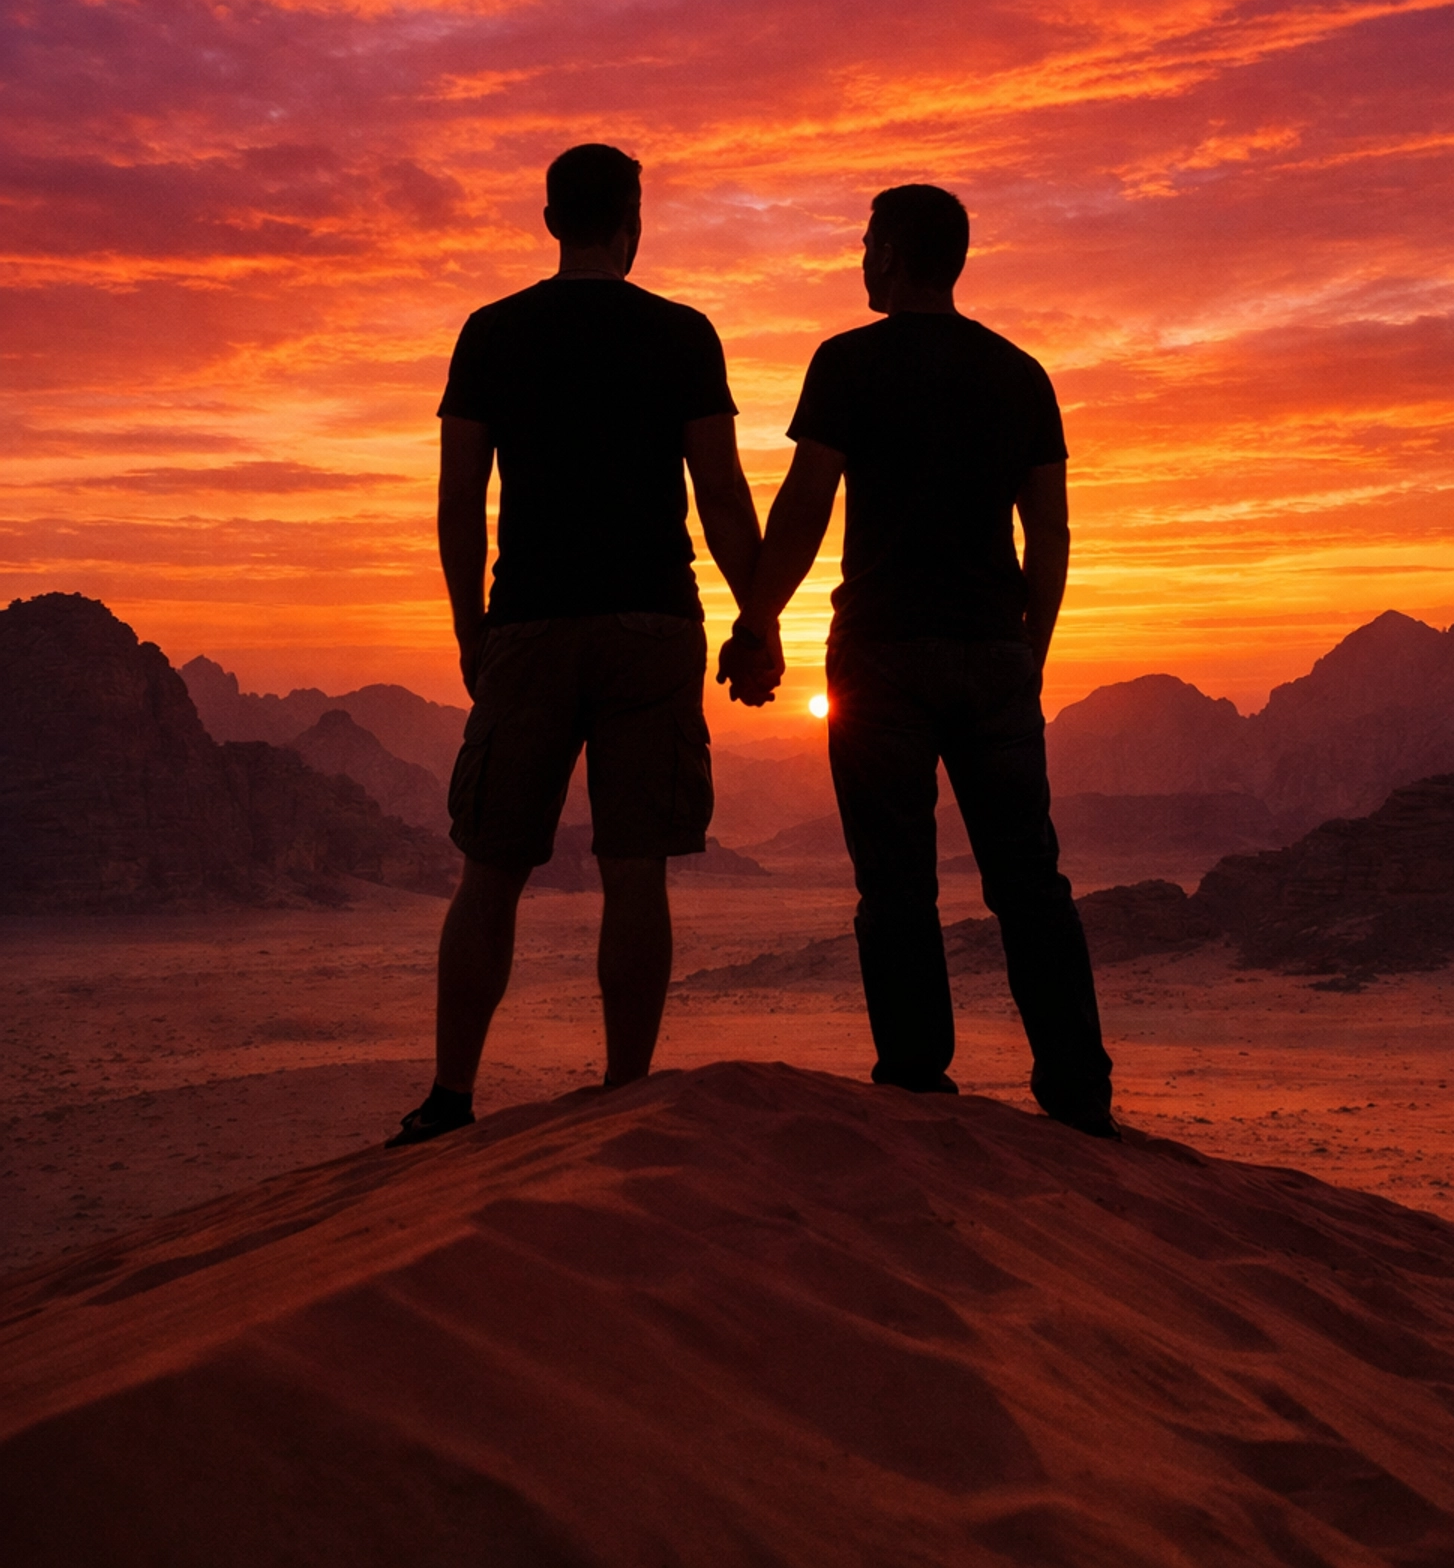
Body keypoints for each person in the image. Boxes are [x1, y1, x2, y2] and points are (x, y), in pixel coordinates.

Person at [717, 184, 1117, 1136]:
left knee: (895, 882)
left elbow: (807, 503)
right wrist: (1033, 652)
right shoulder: (1021, 374)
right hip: (991, 653)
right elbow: (1050, 534)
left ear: (893, 254)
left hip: (882, 657)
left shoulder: (847, 363)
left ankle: (915, 1084)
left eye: (865, 244)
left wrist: (756, 619)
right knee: (1030, 881)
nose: (859, 260)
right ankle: (1076, 1090)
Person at [390, 143, 762, 1146]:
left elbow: (460, 499)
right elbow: (720, 492)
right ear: (631, 224)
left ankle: (450, 1098)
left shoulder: (492, 333)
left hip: (530, 623)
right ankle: (627, 1091)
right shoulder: (682, 334)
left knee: (492, 866)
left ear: (551, 221)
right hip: (652, 624)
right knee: (636, 865)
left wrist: (474, 631)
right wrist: (758, 616)